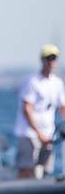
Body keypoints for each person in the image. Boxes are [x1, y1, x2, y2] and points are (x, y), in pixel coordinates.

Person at [14, 44, 65, 179]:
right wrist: (39, 133)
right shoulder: (32, 82)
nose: (51, 62)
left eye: (54, 58)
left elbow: (62, 106)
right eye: (48, 58)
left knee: (44, 169)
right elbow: (27, 109)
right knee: (27, 169)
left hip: (48, 134)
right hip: (29, 134)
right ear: (42, 60)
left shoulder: (57, 83)